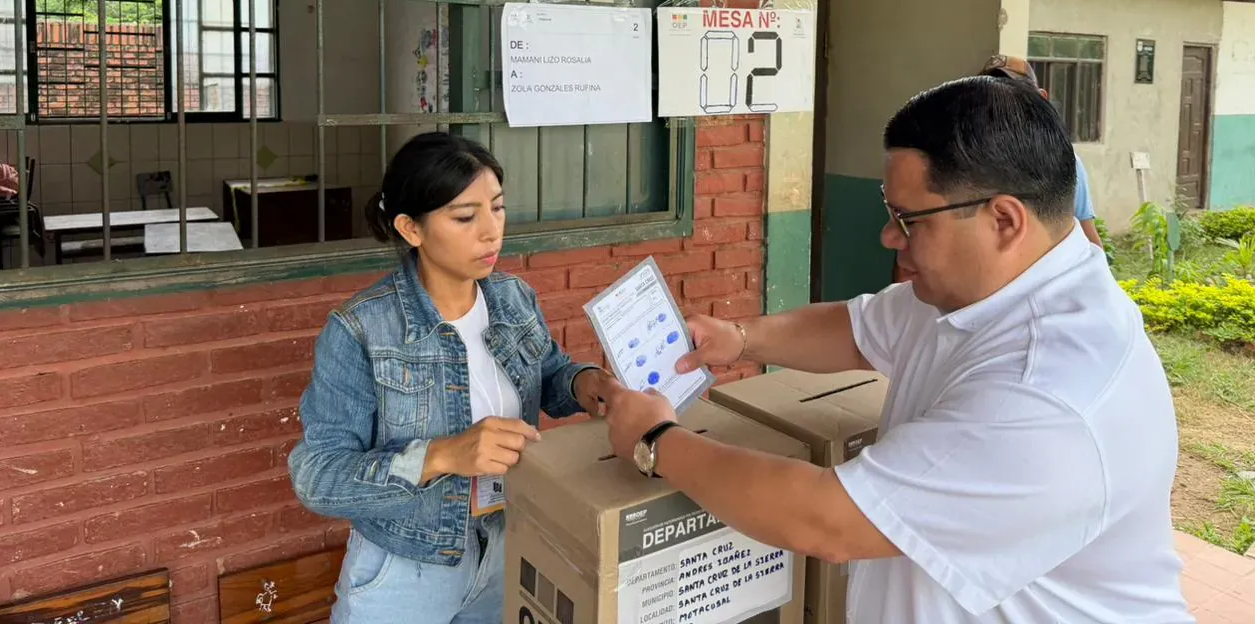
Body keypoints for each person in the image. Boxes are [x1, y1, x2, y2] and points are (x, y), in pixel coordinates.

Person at [602, 77, 1193, 624]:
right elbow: (860, 328)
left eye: (909, 219)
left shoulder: (1048, 391)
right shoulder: (984, 292)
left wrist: (658, 444)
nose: (889, 237)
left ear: (1004, 221)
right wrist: (742, 339)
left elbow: (826, 519)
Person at [289, 132, 613, 624]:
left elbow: (548, 372)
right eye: (465, 217)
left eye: (498, 208)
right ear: (410, 229)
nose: (491, 232)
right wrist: (443, 456)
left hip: (508, 543)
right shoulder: (362, 329)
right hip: (407, 567)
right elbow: (318, 476)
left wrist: (584, 384)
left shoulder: (512, 298)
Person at [980, 54, 1103, 248]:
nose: (1000, 106)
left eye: (1014, 93)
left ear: (1041, 99)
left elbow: (1089, 240)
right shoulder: (969, 163)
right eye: (990, 95)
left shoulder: (1066, 163)